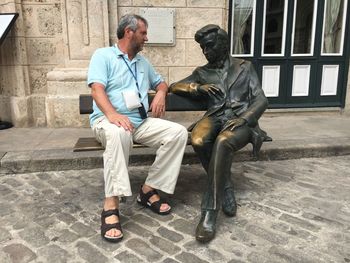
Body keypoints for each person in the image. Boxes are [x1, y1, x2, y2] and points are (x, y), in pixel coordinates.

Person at [87, 14, 188, 243]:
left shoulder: (143, 62)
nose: (146, 37)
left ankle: (149, 188)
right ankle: (111, 202)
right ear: (129, 32)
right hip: (107, 120)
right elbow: (96, 89)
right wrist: (113, 114)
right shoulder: (103, 56)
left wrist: (161, 92)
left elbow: (161, 82)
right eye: (143, 33)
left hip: (139, 122)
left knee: (178, 133)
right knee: (119, 132)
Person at [169, 24, 270, 243]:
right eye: (203, 48)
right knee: (197, 138)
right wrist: (197, 88)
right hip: (214, 117)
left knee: (223, 142)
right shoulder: (202, 72)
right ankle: (225, 185)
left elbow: (261, 99)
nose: (206, 52)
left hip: (240, 120)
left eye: (209, 46)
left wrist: (245, 118)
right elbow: (175, 86)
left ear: (223, 44)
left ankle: (209, 212)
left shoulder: (245, 67)